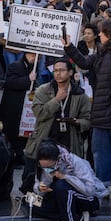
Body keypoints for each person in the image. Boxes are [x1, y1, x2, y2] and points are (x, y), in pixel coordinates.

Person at [62, 19, 111, 194]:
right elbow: (84, 63)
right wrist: (69, 47)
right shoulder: (102, 52)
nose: (99, 34)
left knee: (100, 148)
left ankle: (102, 186)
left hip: (109, 108)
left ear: (110, 34)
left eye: (102, 32)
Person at [21, 58, 91, 194]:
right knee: (34, 176)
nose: (58, 73)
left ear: (70, 72)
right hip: (44, 138)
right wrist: (56, 99)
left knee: (63, 179)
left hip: (69, 141)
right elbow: (39, 113)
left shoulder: (79, 94)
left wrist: (76, 121)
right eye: (55, 70)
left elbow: (88, 120)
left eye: (62, 70)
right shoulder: (43, 90)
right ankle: (30, 200)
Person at [32, 140, 108, 221]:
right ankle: (78, 216)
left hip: (88, 199)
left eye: (50, 167)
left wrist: (66, 177)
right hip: (63, 199)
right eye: (44, 167)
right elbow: (38, 184)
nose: (47, 170)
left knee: (61, 185)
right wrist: (39, 188)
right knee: (31, 202)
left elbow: (90, 190)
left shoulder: (76, 162)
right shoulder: (43, 166)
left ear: (57, 159)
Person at [0, 52, 38, 168]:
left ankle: (19, 155)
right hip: (12, 106)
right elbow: (11, 82)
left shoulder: (31, 67)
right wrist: (28, 79)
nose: (34, 58)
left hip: (24, 106)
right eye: (32, 55)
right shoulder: (15, 66)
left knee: (22, 132)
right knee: (11, 132)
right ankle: (12, 156)